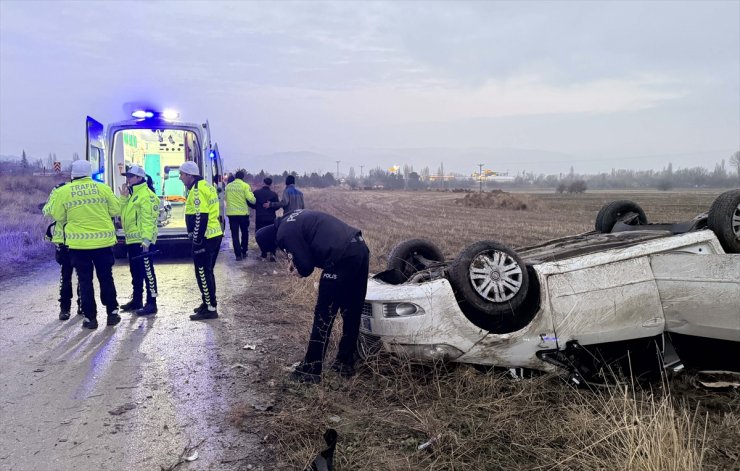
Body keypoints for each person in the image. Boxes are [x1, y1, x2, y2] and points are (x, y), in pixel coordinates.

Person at [255, 209, 370, 384]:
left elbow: (306, 267)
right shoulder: (290, 218)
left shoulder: (283, 234)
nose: (280, 251)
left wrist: (298, 271)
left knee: (324, 313)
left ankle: (311, 369)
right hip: (359, 248)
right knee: (352, 310)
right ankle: (345, 362)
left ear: (273, 241)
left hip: (340, 257)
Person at [50, 160, 121, 329]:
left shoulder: (64, 191)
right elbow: (115, 210)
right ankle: (112, 313)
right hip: (103, 243)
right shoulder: (103, 188)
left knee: (85, 281)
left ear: (73, 174)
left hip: (79, 246)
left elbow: (59, 216)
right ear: (90, 173)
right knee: (106, 277)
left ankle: (91, 319)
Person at [179, 161, 223, 320]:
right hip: (214, 235)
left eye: (182, 174)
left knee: (203, 273)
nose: (180, 178)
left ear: (190, 175)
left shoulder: (197, 191)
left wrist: (196, 241)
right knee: (207, 272)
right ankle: (207, 302)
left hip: (205, 238)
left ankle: (211, 308)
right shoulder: (207, 186)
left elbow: (200, 217)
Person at [118, 165, 160, 316]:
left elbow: (148, 220)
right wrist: (123, 197)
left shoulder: (146, 196)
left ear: (139, 178)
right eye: (127, 176)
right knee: (135, 272)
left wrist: (147, 241)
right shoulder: (132, 195)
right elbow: (121, 213)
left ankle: (152, 303)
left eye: (130, 176)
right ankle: (137, 300)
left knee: (148, 273)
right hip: (132, 240)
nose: (127, 179)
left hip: (143, 241)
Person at [42, 181, 81, 320]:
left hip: (65, 241)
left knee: (66, 276)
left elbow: (47, 211)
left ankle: (65, 309)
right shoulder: (82, 190)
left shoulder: (58, 190)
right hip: (80, 240)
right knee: (82, 276)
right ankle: (81, 306)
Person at [225, 170, 256, 260]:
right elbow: (251, 199)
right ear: (243, 177)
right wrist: (255, 200)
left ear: (235, 177)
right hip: (243, 214)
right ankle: (244, 251)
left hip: (232, 214)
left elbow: (226, 198)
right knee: (244, 232)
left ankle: (238, 254)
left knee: (234, 234)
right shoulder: (245, 186)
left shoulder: (228, 186)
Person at [251, 177, 279, 261]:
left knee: (260, 235)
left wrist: (257, 207)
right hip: (271, 218)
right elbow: (277, 206)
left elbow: (251, 203)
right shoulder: (274, 194)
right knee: (272, 236)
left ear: (263, 183)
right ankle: (272, 254)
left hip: (260, 217)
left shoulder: (256, 193)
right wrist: (271, 208)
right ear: (270, 184)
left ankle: (263, 254)